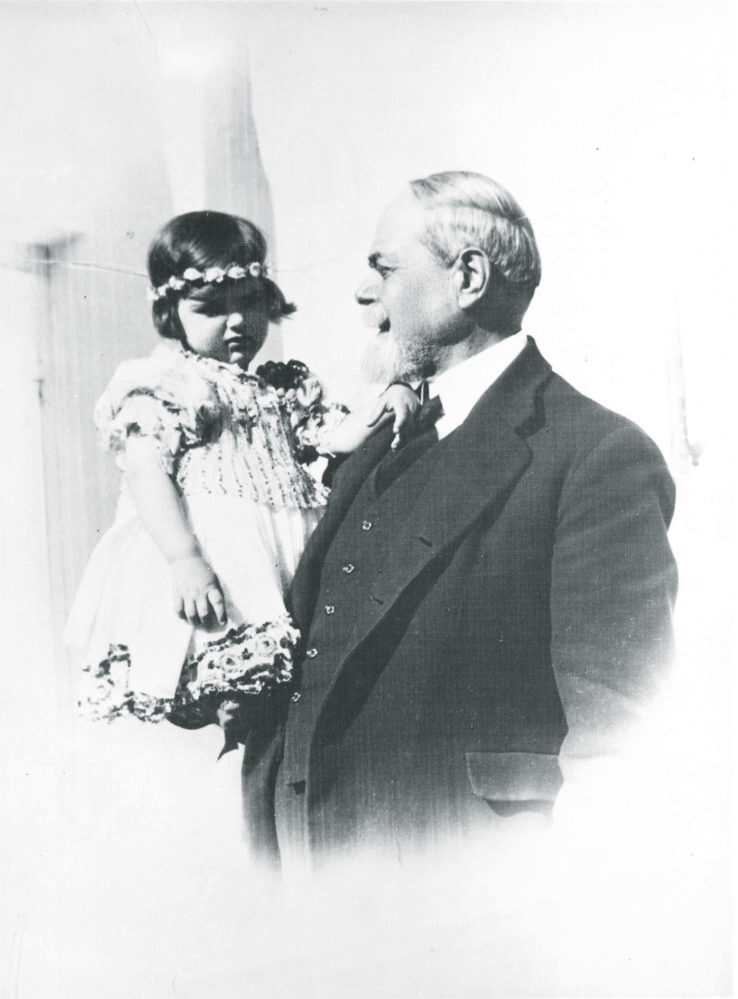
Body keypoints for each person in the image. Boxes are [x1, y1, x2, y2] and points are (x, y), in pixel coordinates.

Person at [241, 171, 678, 864]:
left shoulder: (596, 454)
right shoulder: (373, 440)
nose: (362, 292)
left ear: (468, 277)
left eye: (384, 268)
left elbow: (619, 737)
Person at [64, 210, 419, 762]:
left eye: (250, 302)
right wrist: (183, 557)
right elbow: (146, 471)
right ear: (172, 313)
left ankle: (264, 710)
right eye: (211, 309)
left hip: (286, 541)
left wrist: (388, 399)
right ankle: (227, 698)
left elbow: (336, 436)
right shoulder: (170, 384)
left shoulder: (282, 388)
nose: (236, 322)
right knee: (223, 625)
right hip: (220, 548)